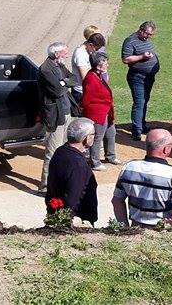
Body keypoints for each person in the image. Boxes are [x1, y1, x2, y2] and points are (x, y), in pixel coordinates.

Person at [112, 128, 172, 227]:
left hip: (135, 228)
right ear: (166, 149)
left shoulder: (129, 167)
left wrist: (125, 227)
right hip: (161, 230)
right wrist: (170, 232)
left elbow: (117, 201)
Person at [45, 118, 98, 225]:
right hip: (77, 220)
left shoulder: (60, 151)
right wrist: (69, 221)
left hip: (56, 213)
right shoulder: (78, 164)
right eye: (93, 134)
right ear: (86, 138)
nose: (94, 137)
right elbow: (73, 197)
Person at [38, 42, 76, 193]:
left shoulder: (59, 65)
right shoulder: (46, 69)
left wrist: (64, 81)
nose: (67, 55)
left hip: (66, 113)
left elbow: (73, 78)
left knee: (66, 149)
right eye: (65, 53)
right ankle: (45, 186)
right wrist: (64, 84)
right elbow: (58, 91)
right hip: (56, 116)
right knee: (52, 151)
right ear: (56, 53)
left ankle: (61, 181)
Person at [121, 21, 159, 141]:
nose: (148, 36)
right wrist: (143, 56)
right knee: (139, 102)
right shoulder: (130, 41)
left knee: (145, 100)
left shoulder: (145, 40)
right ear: (141, 30)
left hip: (148, 77)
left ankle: (141, 124)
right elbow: (126, 59)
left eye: (150, 35)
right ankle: (136, 130)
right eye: (147, 34)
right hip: (137, 77)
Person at [80, 52, 118, 170]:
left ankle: (110, 156)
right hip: (97, 113)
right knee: (97, 137)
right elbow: (86, 99)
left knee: (111, 134)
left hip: (106, 111)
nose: (107, 64)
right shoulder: (91, 78)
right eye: (105, 62)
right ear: (98, 65)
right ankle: (94, 161)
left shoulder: (99, 76)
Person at [71, 30, 105, 104]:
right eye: (96, 49)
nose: (95, 51)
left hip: (85, 90)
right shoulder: (81, 55)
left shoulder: (86, 50)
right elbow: (86, 78)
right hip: (81, 92)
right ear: (90, 45)